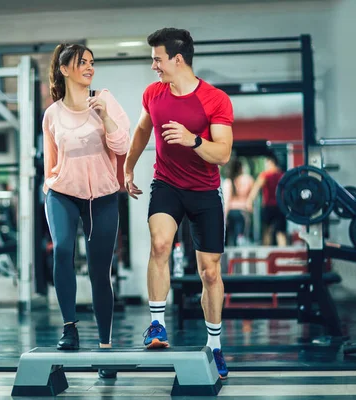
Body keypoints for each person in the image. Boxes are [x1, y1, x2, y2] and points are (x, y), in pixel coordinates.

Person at [123, 28, 233, 380]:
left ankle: (214, 346)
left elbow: (223, 154)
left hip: (204, 191)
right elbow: (142, 130)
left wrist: (193, 140)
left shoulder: (215, 99)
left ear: (177, 59)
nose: (153, 65)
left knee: (210, 272)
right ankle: (157, 325)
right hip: (166, 183)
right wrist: (127, 165)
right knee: (159, 244)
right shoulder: (153, 94)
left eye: (157, 58)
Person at [43, 43, 130, 378]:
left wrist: (104, 116)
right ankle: (69, 328)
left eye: (92, 63)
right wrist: (48, 187)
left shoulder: (104, 99)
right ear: (65, 70)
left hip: (103, 194)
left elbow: (121, 146)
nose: (89, 68)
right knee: (63, 249)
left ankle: (105, 349)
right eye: (82, 63)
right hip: (62, 192)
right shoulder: (51, 114)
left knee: (99, 270)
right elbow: (51, 161)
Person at [246, 152, 287, 246]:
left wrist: (250, 201)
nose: (266, 165)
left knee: (267, 231)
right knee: (281, 232)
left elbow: (256, 188)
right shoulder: (283, 175)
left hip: (268, 206)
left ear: (271, 162)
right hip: (280, 206)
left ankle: (266, 252)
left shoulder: (265, 175)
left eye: (267, 162)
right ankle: (283, 252)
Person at [222, 158, 254, 246]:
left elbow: (226, 202)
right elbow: (252, 197)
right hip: (243, 212)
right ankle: (240, 239)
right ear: (241, 168)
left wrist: (224, 218)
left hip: (231, 212)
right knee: (240, 234)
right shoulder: (248, 180)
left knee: (230, 236)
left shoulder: (228, 182)